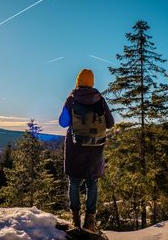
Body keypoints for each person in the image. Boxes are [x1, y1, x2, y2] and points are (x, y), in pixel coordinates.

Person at [59, 69, 114, 231]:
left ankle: (75, 218)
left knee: (74, 181)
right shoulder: (100, 99)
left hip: (76, 148)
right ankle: (90, 220)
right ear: (92, 82)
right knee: (92, 183)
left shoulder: (72, 98)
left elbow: (63, 122)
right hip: (95, 148)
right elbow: (110, 123)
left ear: (78, 81)